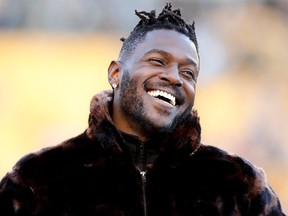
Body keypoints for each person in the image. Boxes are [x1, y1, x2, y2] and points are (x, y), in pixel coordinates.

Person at [0, 2, 285, 216]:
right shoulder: (37, 180)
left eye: (188, 73)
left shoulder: (239, 185)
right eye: (158, 61)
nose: (174, 77)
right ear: (115, 73)